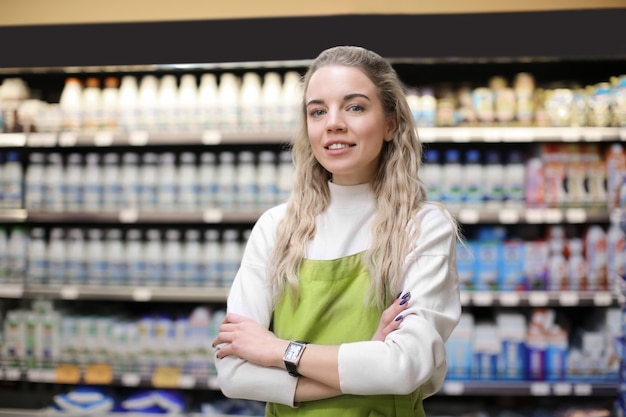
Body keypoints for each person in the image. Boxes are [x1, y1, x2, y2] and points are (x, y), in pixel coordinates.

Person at [212, 45, 462, 416]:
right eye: (317, 111)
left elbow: (404, 366)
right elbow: (233, 373)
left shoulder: (423, 227)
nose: (333, 123)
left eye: (355, 107)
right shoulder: (276, 228)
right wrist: (364, 365)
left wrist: (278, 351)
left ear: (391, 123)